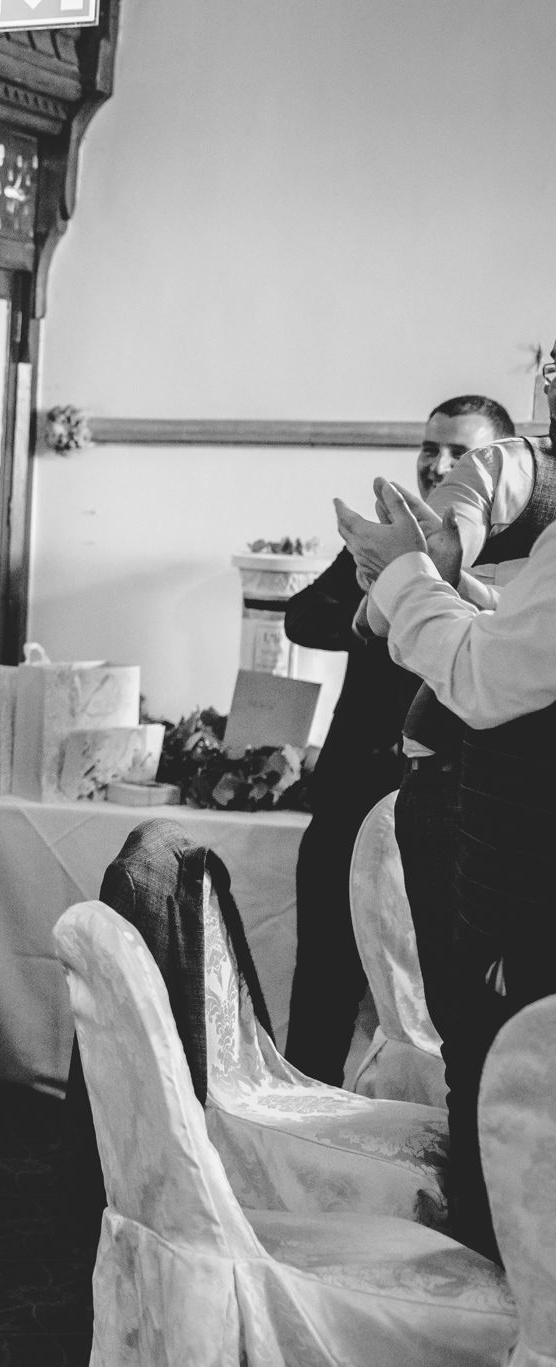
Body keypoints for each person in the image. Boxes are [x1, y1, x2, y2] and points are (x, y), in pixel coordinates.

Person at [337, 477, 556, 1262]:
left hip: (528, 877)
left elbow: (491, 680)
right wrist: (441, 582)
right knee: (482, 1065)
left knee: (502, 1094)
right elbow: (528, 647)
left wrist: (408, 577)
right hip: (495, 853)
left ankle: (501, 1297)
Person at [280, 395, 511, 1083]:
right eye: (429, 446)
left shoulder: (512, 560)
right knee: (322, 973)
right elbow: (299, 618)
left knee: (431, 992)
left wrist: (416, 598)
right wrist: (367, 601)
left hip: (447, 808)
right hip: (350, 792)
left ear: (496, 464)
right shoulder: (388, 532)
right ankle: (308, 1122)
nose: (437, 462)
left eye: (459, 452)